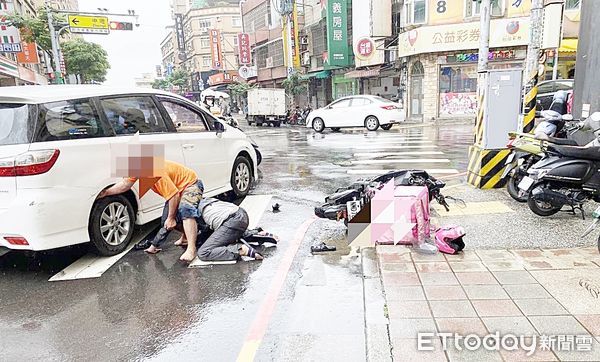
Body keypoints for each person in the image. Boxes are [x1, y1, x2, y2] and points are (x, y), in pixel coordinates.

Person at [99, 160, 203, 263]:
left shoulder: (154, 171)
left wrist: (171, 218)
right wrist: (106, 192)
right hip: (176, 190)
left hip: (190, 184)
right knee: (166, 222)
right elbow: (125, 184)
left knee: (185, 210)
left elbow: (174, 196)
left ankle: (191, 249)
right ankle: (186, 236)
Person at [144, 198, 263, 261]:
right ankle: (257, 234)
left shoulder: (184, 214)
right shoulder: (192, 199)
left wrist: (153, 246)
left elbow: (166, 228)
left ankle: (241, 250)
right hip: (241, 214)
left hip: (232, 221)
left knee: (204, 252)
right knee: (208, 239)